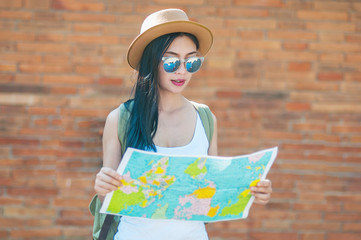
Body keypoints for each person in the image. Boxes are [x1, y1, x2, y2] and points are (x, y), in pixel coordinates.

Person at [93, 8, 272, 240]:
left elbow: (210, 197)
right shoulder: (120, 118)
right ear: (151, 61)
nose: (181, 71)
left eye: (191, 62)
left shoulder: (205, 118)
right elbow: (109, 201)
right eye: (170, 61)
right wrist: (102, 187)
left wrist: (251, 191)